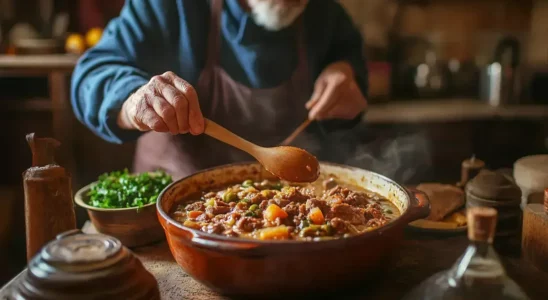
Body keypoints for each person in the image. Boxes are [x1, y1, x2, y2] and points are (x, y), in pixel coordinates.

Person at [71, 0, 368, 180]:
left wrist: (345, 72)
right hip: (168, 218)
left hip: (293, 205)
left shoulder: (326, 14)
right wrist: (132, 100)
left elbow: (350, 62)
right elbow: (92, 72)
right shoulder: (170, 6)